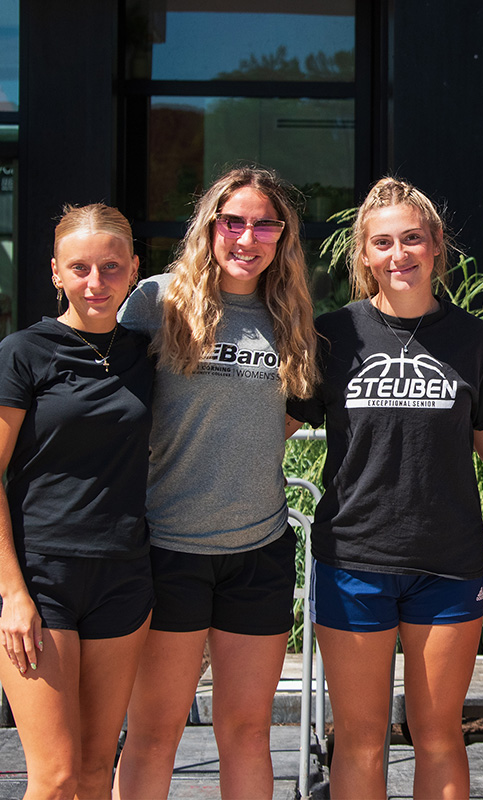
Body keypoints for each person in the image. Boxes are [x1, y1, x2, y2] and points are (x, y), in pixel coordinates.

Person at [286, 176, 483, 799]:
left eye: (413, 238)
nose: (398, 254)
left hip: (448, 563)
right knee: (361, 740)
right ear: (363, 255)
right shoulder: (332, 336)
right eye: (382, 242)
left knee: (438, 734)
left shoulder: (475, 340)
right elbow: (267, 433)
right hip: (353, 558)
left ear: (437, 244)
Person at [113, 166, 319, 800]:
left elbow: (285, 415)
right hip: (168, 547)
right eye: (235, 222)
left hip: (258, 551)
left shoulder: (289, 313)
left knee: (248, 730)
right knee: (154, 732)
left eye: (264, 224)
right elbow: (113, 406)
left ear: (282, 236)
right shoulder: (157, 300)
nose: (248, 237)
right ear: (210, 227)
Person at [0, 203, 152, 799]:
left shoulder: (147, 353)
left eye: (111, 267)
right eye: (80, 268)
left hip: (124, 576)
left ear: (135, 268)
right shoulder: (23, 353)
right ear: (56, 273)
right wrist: (12, 593)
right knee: (56, 776)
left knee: (95, 771)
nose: (96, 283)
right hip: (43, 578)